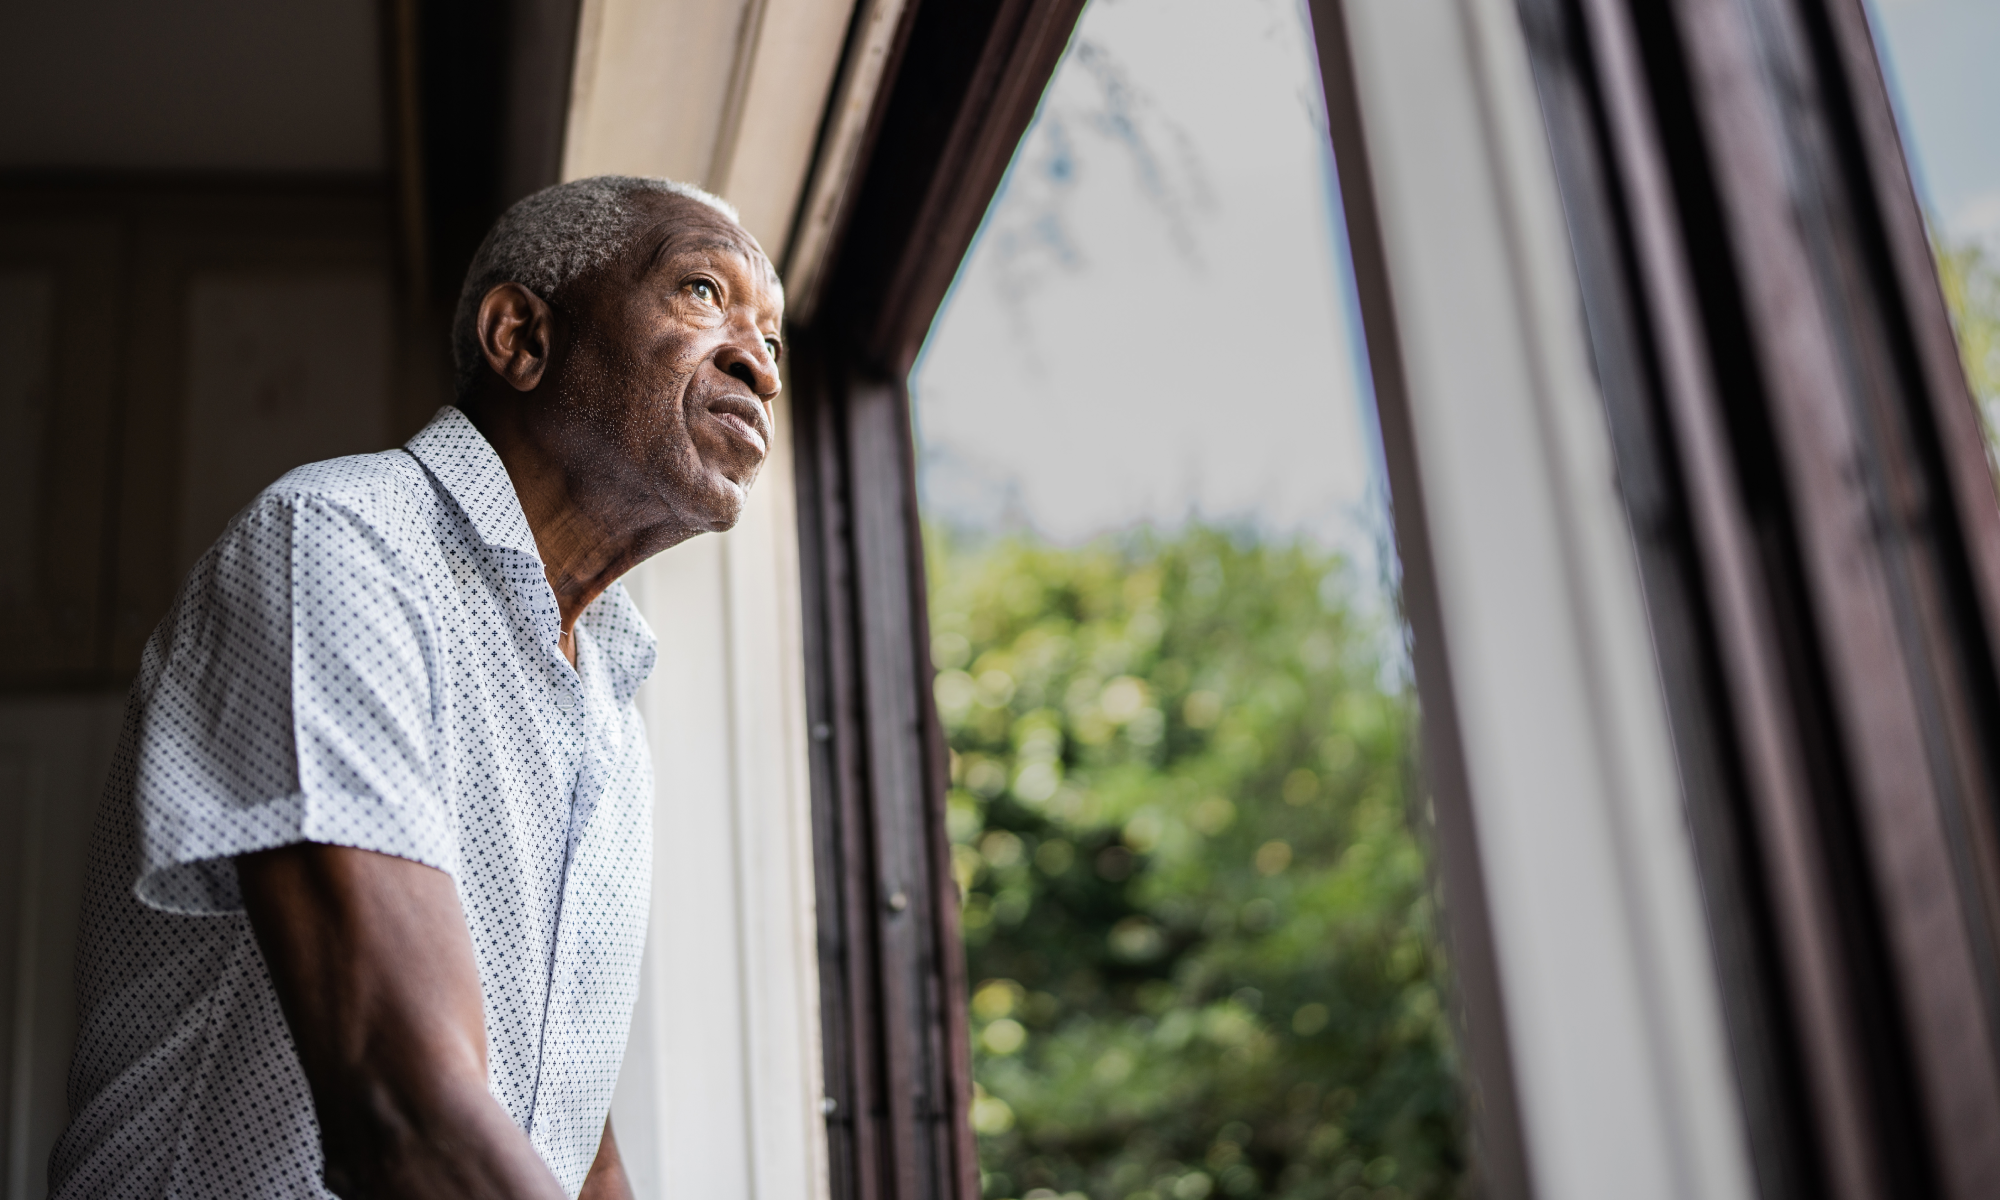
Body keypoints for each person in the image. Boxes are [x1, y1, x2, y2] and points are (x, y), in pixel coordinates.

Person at [48, 175, 784, 1199]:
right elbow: (402, 1114)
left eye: (774, 341)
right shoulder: (343, 542)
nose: (759, 363)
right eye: (705, 292)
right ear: (519, 336)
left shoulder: (611, 695)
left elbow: (569, 1133)